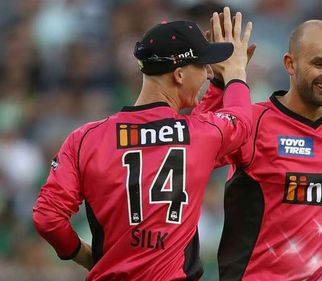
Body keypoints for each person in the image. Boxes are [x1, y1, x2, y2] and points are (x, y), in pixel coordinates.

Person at [32, 7, 253, 281]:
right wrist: (235, 74)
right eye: (203, 67)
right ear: (180, 75)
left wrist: (84, 255)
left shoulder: (85, 139)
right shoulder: (199, 136)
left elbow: (47, 219)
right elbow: (239, 123)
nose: (208, 74)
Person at [202, 18, 322, 281]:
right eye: (319, 63)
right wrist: (220, 82)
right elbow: (197, 148)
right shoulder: (255, 122)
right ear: (290, 64)